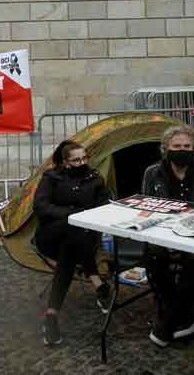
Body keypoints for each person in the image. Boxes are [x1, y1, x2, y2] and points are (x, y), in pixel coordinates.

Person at [141, 124, 194, 347]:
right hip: (162, 233)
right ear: (165, 148)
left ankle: (167, 320)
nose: (182, 149)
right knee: (153, 254)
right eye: (177, 145)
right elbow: (147, 206)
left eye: (187, 146)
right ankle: (184, 317)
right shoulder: (152, 172)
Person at [33, 139, 112, 346]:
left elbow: (104, 205)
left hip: (82, 238)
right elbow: (40, 206)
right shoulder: (51, 178)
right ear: (66, 162)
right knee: (74, 232)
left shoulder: (95, 178)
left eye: (85, 158)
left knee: (74, 241)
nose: (82, 162)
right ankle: (98, 283)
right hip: (50, 236)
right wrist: (72, 214)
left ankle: (51, 314)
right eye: (76, 160)